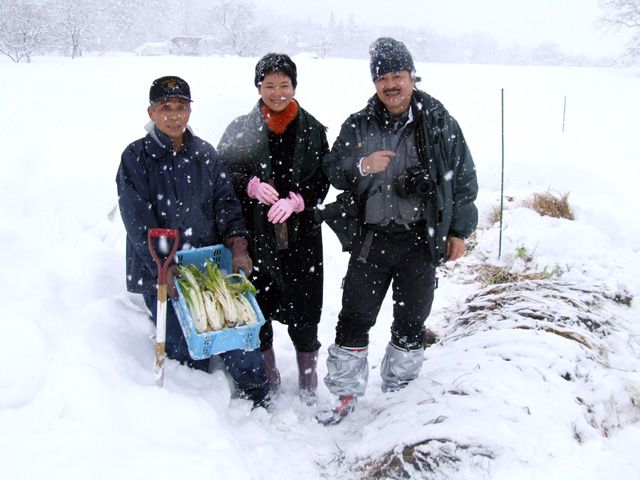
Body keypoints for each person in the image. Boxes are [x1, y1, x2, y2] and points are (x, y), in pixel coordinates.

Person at [317, 38, 478, 425]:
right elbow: (332, 169)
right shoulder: (358, 124)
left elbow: (464, 180)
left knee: (411, 322)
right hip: (371, 238)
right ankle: (345, 395)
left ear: (411, 76)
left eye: (398, 75)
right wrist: (362, 165)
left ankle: (399, 396)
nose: (391, 84)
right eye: (383, 77)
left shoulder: (438, 123)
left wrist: (459, 231)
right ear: (374, 82)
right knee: (354, 318)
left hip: (419, 241)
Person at [116, 75, 270, 409]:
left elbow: (226, 204)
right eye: (165, 108)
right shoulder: (136, 158)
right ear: (151, 112)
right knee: (186, 354)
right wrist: (163, 268)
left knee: (237, 336)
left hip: (205, 266)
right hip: (161, 272)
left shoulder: (204, 154)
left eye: (181, 107)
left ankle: (257, 394)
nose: (174, 115)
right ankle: (197, 414)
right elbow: (137, 221)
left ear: (189, 110)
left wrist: (238, 244)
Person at [217, 53, 330, 405]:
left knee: (305, 308)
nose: (277, 93)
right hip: (257, 235)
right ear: (258, 87)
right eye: (269, 86)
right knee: (259, 304)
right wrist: (249, 185)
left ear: (294, 86)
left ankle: (309, 379)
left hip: (302, 237)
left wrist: (299, 200)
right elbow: (223, 174)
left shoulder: (312, 130)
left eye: (284, 85)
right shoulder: (240, 128)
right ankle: (269, 373)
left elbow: (323, 179)